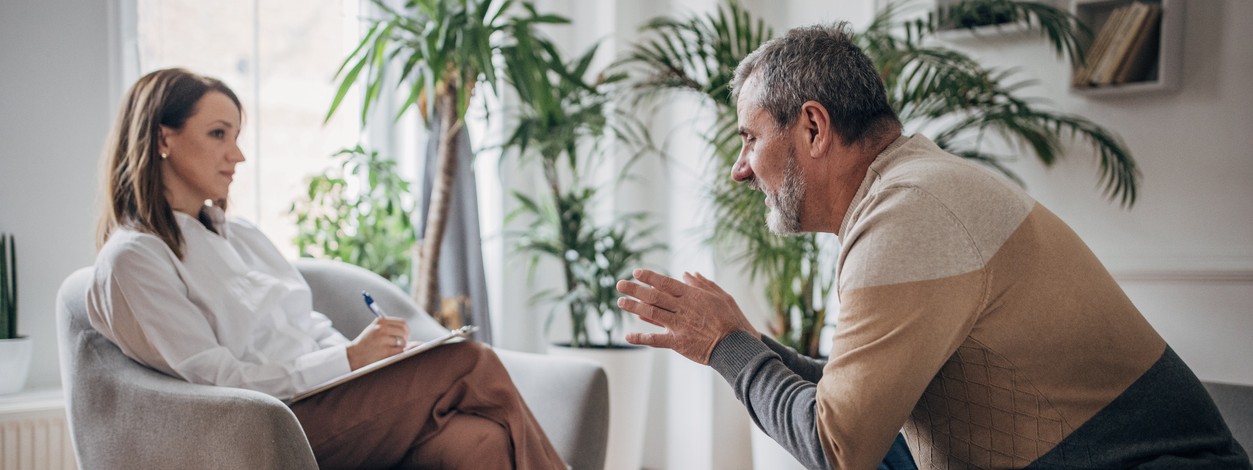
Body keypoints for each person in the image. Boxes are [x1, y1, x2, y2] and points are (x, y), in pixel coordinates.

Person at [616, 23, 1251, 469]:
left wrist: (727, 347)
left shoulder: (909, 213)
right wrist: (742, 343)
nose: (740, 167)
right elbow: (858, 403)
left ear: (813, 126)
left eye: (749, 138)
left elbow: (838, 450)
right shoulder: (908, 190)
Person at [87, 68, 567, 470]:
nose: (238, 155)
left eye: (236, 136)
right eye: (218, 134)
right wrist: (348, 362)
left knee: (477, 439)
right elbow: (217, 382)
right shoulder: (135, 259)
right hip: (269, 426)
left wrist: (375, 363)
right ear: (162, 138)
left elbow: (309, 326)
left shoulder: (244, 236)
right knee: (469, 360)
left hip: (330, 400)